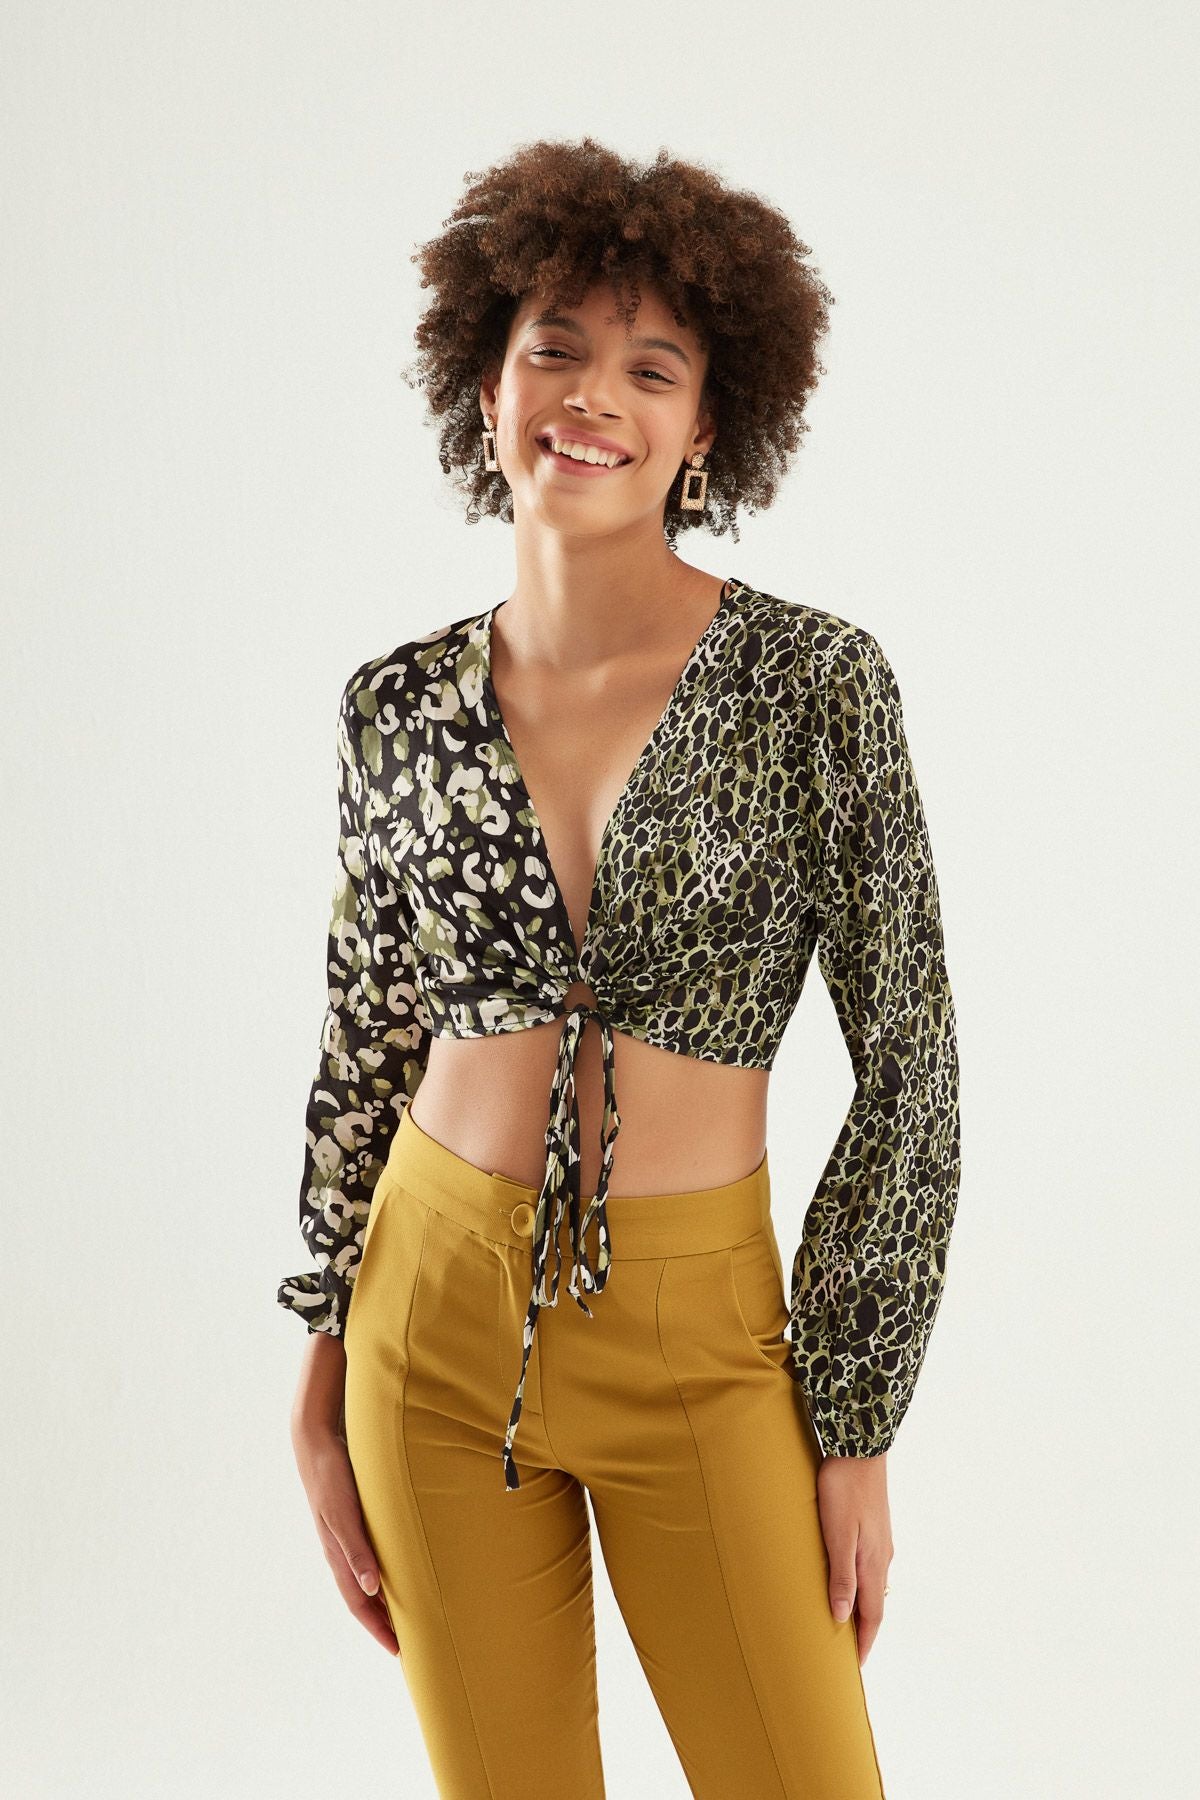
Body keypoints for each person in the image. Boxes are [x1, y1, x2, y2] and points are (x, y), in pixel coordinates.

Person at [277, 136, 961, 1800]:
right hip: (427, 1324)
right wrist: (319, 1371)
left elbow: (913, 1068)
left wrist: (856, 1421)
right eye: (556, 350)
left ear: (709, 424)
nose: (593, 397)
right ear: (488, 382)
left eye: (652, 368)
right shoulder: (397, 707)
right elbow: (366, 1035)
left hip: (702, 1334)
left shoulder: (814, 687)